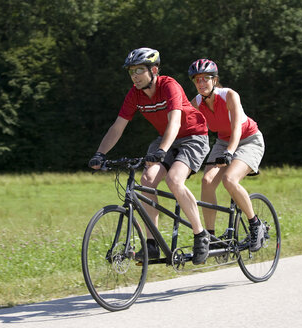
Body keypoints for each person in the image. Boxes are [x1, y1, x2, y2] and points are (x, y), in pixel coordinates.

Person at [89, 48, 211, 264]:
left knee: (174, 180)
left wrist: (161, 151)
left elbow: (175, 122)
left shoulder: (169, 85)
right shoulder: (134, 94)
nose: (134, 76)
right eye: (131, 72)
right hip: (166, 138)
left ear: (154, 70)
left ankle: (200, 235)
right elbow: (117, 127)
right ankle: (152, 244)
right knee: (146, 180)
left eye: (138, 70)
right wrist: (100, 153)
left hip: (193, 136)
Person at [188, 58, 267, 251]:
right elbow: (188, 129)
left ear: (214, 80)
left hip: (248, 140)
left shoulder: (230, 95)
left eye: (205, 79)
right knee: (206, 182)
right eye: (197, 80)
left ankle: (256, 225)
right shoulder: (196, 103)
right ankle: (210, 236)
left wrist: (230, 152)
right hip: (223, 141)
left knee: (230, 179)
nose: (201, 83)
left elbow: (237, 129)